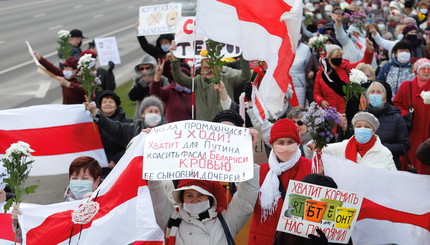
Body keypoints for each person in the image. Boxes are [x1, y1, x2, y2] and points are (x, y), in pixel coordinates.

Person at [148, 166, 259, 244]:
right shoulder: (171, 218)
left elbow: (246, 196)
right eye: (189, 195)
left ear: (209, 197)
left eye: (201, 195)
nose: (195, 200)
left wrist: (247, 153)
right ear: (182, 198)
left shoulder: (226, 220)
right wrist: (149, 149)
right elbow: (155, 192)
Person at [248, 119, 312, 245]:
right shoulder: (259, 171)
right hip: (264, 239)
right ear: (272, 144)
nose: (286, 146)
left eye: (290, 142)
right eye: (280, 142)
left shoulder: (311, 168)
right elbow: (245, 201)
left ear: (298, 143)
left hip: (297, 240)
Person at [170, 42, 251, 121]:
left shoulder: (229, 79)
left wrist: (243, 56)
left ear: (219, 68)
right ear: (201, 69)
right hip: (205, 129)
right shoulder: (197, 82)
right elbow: (179, 78)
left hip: (225, 125)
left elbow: (245, 76)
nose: (209, 70)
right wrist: (174, 60)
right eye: (205, 68)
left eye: (212, 67)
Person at [313, 41, 373, 120]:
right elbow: (316, 93)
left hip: (346, 110)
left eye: (340, 56)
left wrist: (369, 51)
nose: (338, 58)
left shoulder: (347, 68)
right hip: (329, 111)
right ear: (329, 58)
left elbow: (364, 63)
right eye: (336, 56)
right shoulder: (321, 73)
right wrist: (321, 101)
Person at [323, 112, 397, 170]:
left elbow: (393, 177)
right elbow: (321, 150)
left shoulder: (384, 153)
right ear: (354, 129)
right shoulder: (343, 146)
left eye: (367, 127)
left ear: (373, 131)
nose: (362, 128)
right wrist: (313, 144)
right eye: (358, 126)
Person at [86, 95, 167, 148]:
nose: (153, 114)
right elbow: (111, 127)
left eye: (156, 111)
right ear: (142, 114)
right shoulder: (132, 129)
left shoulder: (169, 130)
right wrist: (95, 112)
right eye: (150, 111)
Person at [393, 58, 430, 173]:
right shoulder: (406, 86)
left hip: (428, 130)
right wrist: (405, 114)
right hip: (412, 130)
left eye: (429, 69)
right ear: (416, 71)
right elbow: (396, 104)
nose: (426, 71)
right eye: (423, 68)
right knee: (411, 154)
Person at [365, 82, 410, 169]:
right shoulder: (362, 116)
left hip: (389, 165)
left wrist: (381, 148)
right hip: (366, 164)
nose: (375, 95)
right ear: (368, 96)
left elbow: (404, 146)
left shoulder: (397, 118)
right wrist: (344, 129)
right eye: (372, 92)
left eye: (379, 92)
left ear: (385, 96)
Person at [95, 90, 132, 176]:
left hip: (123, 164)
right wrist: (105, 161)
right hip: (102, 166)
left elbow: (132, 144)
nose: (108, 104)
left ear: (116, 105)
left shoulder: (128, 122)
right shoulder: (94, 124)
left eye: (111, 101)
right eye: (104, 102)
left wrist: (116, 159)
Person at [129, 55, 169, 120]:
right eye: (142, 69)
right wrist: (143, 83)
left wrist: (154, 83)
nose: (145, 70)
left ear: (153, 67)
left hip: (159, 116)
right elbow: (132, 96)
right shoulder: (138, 80)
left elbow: (166, 96)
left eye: (147, 68)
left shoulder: (163, 80)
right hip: (141, 117)